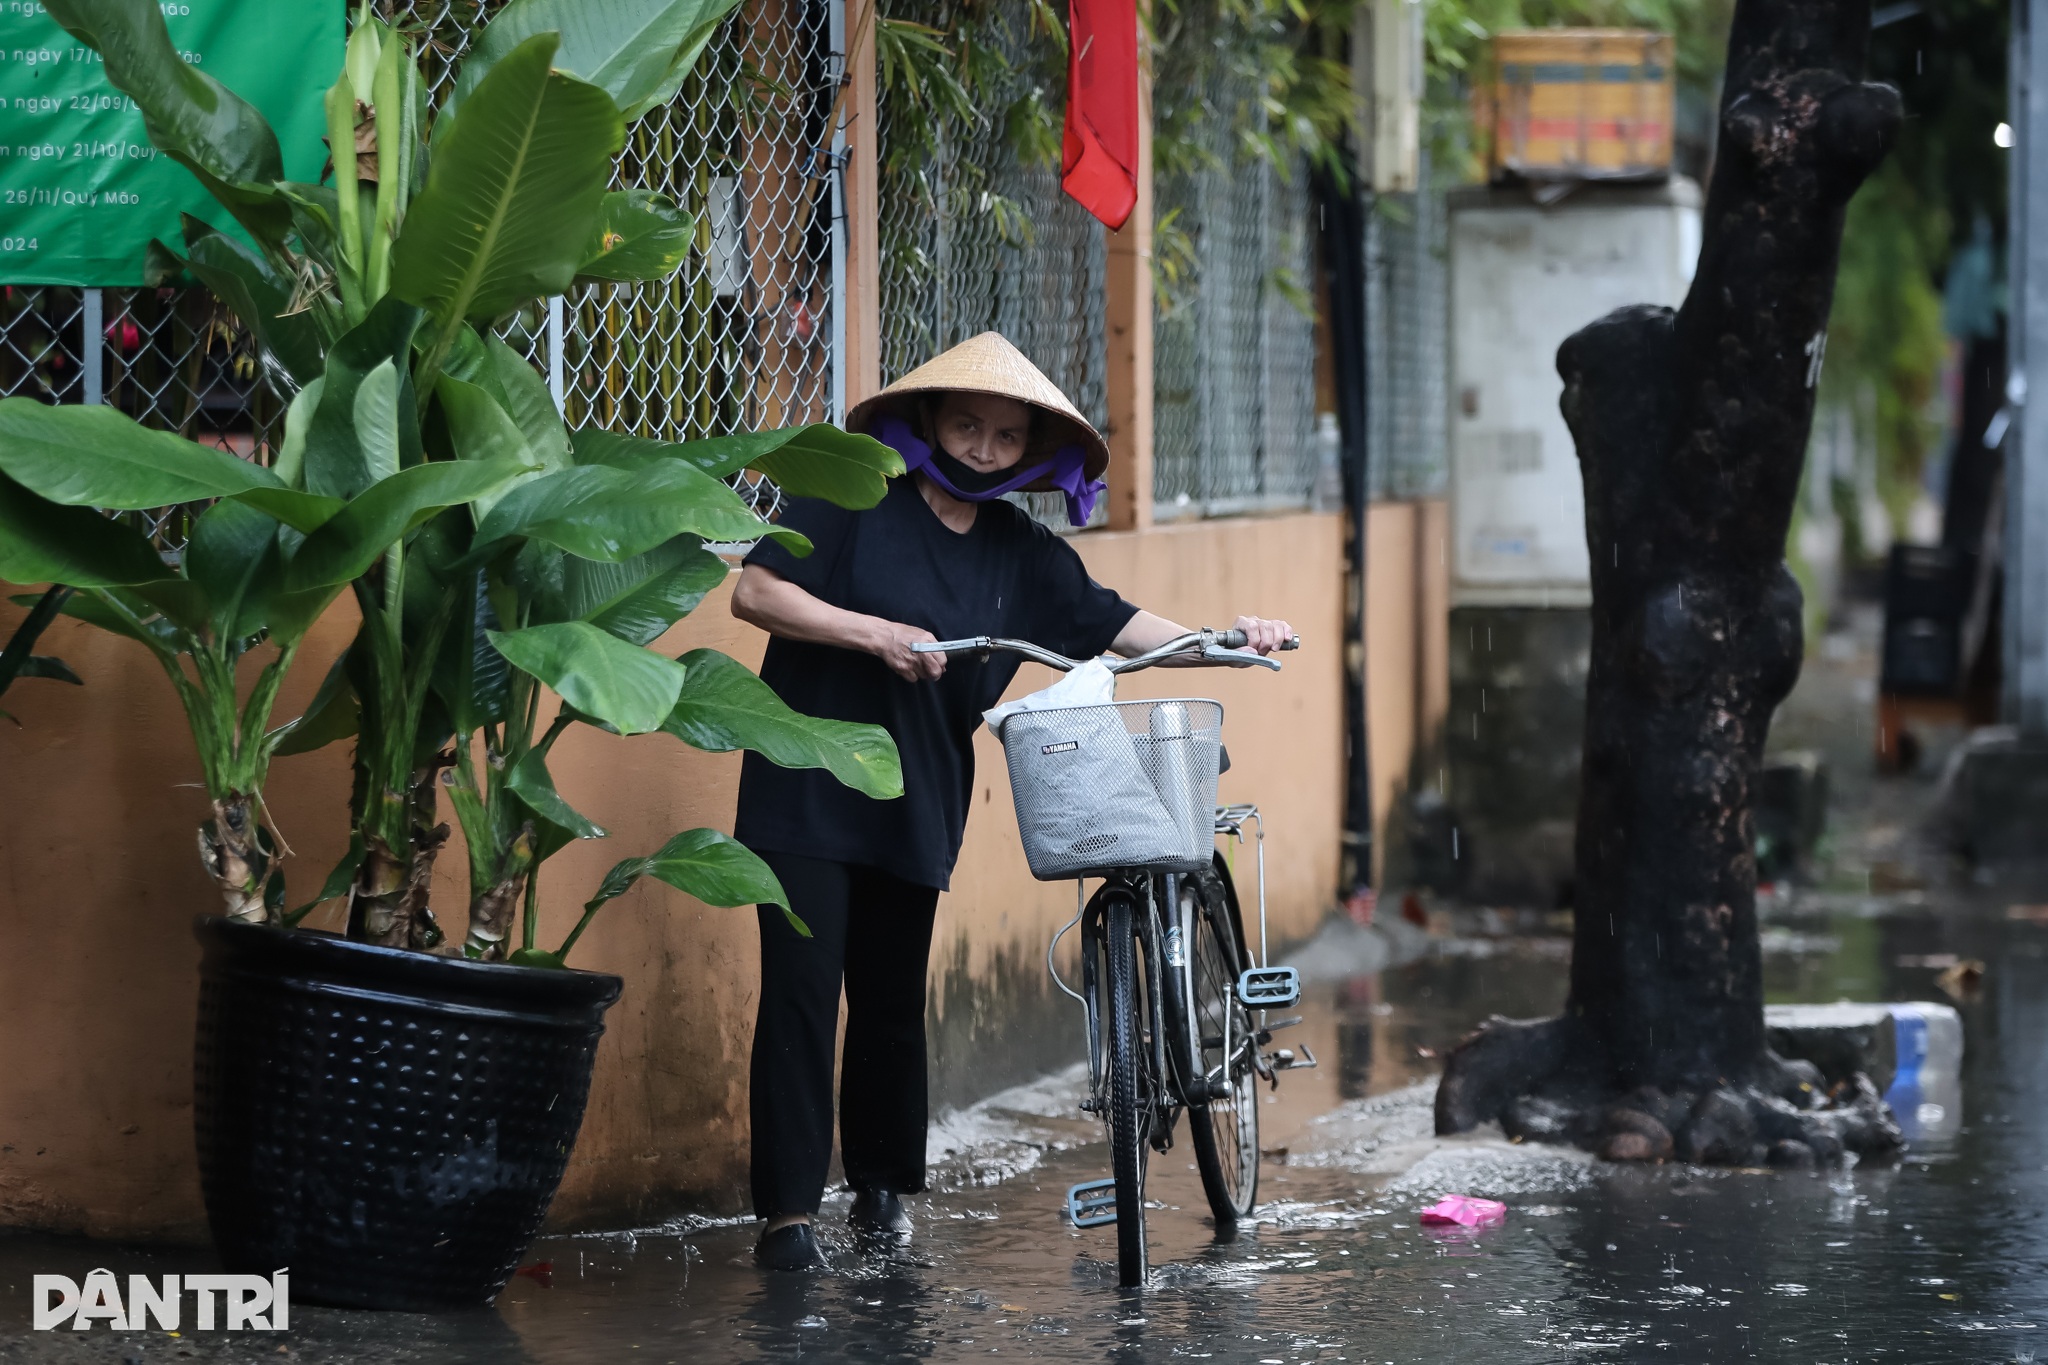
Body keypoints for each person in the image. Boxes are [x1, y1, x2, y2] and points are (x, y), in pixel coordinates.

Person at [729, 332, 1293, 1270]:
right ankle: (787, 1217)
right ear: (926, 422)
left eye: (1003, 435)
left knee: (889, 1000)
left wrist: (1231, 638)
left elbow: (1121, 628)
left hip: (920, 794)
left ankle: (879, 1189)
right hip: (806, 781)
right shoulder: (851, 498)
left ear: (1031, 449)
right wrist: (874, 634)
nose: (983, 449)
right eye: (966, 426)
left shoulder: (1024, 553)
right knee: (798, 993)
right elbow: (756, 590)